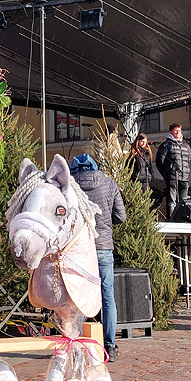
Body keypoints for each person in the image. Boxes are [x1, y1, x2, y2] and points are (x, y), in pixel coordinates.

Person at [70, 154, 126, 362]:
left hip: (78, 249)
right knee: (107, 295)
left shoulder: (69, 184)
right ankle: (109, 346)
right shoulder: (108, 182)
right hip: (103, 247)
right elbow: (121, 216)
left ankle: (78, 344)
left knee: (78, 296)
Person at [155, 123, 191, 220]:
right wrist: (167, 173)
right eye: (176, 131)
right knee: (172, 200)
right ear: (170, 132)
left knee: (184, 201)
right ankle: (171, 219)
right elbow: (160, 161)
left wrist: (187, 172)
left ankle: (182, 219)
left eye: (179, 131)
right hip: (172, 176)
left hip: (184, 176)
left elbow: (188, 161)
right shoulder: (166, 145)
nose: (178, 133)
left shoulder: (186, 146)